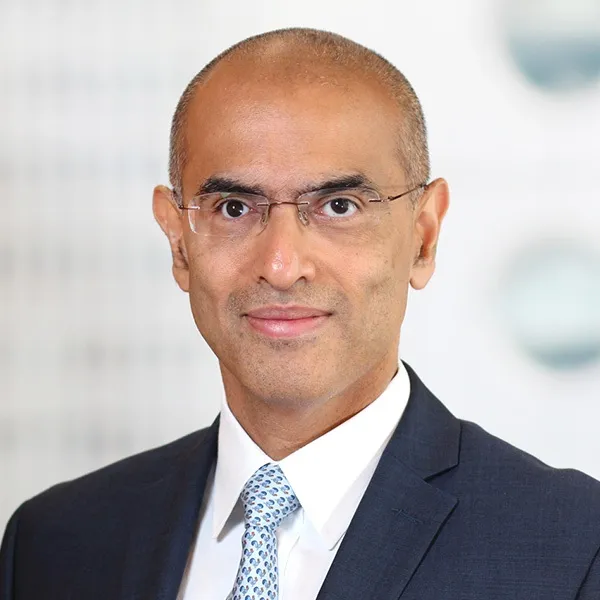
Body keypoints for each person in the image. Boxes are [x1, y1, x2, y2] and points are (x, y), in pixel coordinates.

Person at [1, 27, 599, 600]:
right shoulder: (53, 544)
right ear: (178, 242)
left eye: (339, 206)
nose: (282, 266)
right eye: (234, 208)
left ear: (423, 236)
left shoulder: (573, 549)